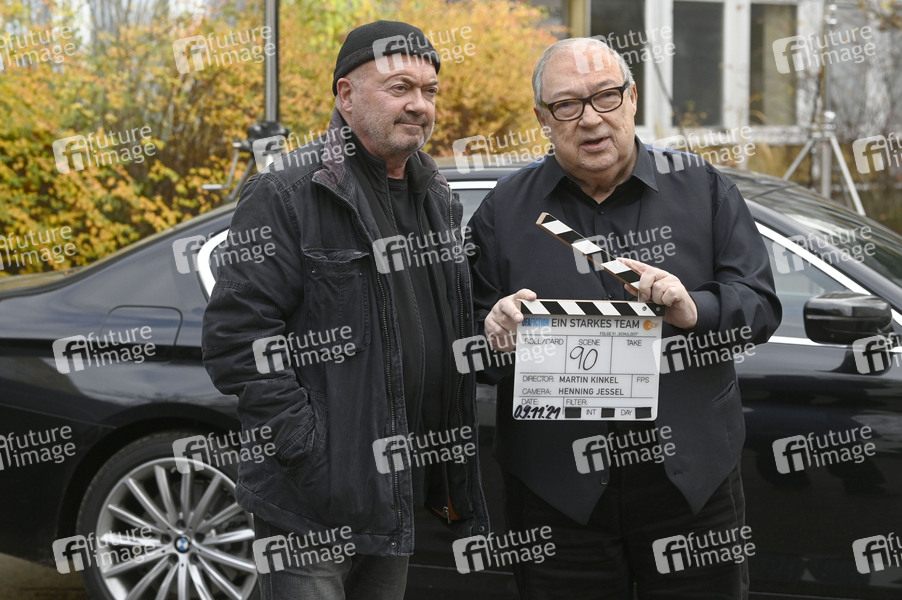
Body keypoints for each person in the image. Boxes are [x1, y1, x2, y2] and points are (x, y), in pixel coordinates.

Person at [467, 37, 781, 599]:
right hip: (557, 491)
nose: (590, 119)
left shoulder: (703, 188)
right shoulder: (504, 209)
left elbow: (759, 304)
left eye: (606, 96)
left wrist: (696, 309)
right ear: (542, 119)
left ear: (632, 98)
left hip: (690, 481)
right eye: (567, 105)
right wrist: (494, 332)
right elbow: (467, 341)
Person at [202, 20, 489, 600]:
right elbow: (236, 338)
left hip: (397, 490)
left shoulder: (436, 198)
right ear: (346, 95)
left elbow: (443, 323)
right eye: (399, 87)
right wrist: (308, 446)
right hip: (312, 505)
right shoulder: (288, 192)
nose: (419, 105)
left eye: (429, 91)